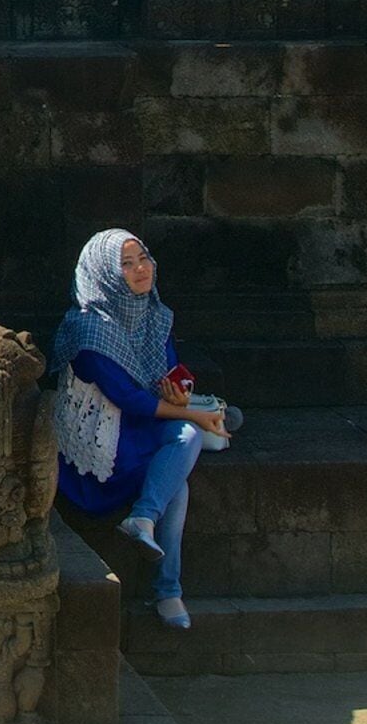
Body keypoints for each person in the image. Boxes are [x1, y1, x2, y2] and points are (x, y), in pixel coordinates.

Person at [49, 228, 239, 631]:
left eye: (143, 258)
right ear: (105, 274)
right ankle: (167, 587)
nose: (140, 270)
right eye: (126, 264)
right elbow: (127, 398)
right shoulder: (88, 329)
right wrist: (192, 416)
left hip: (143, 426)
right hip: (107, 447)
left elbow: (169, 370)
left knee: (178, 463)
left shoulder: (152, 313)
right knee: (182, 461)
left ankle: (148, 533)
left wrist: (181, 394)